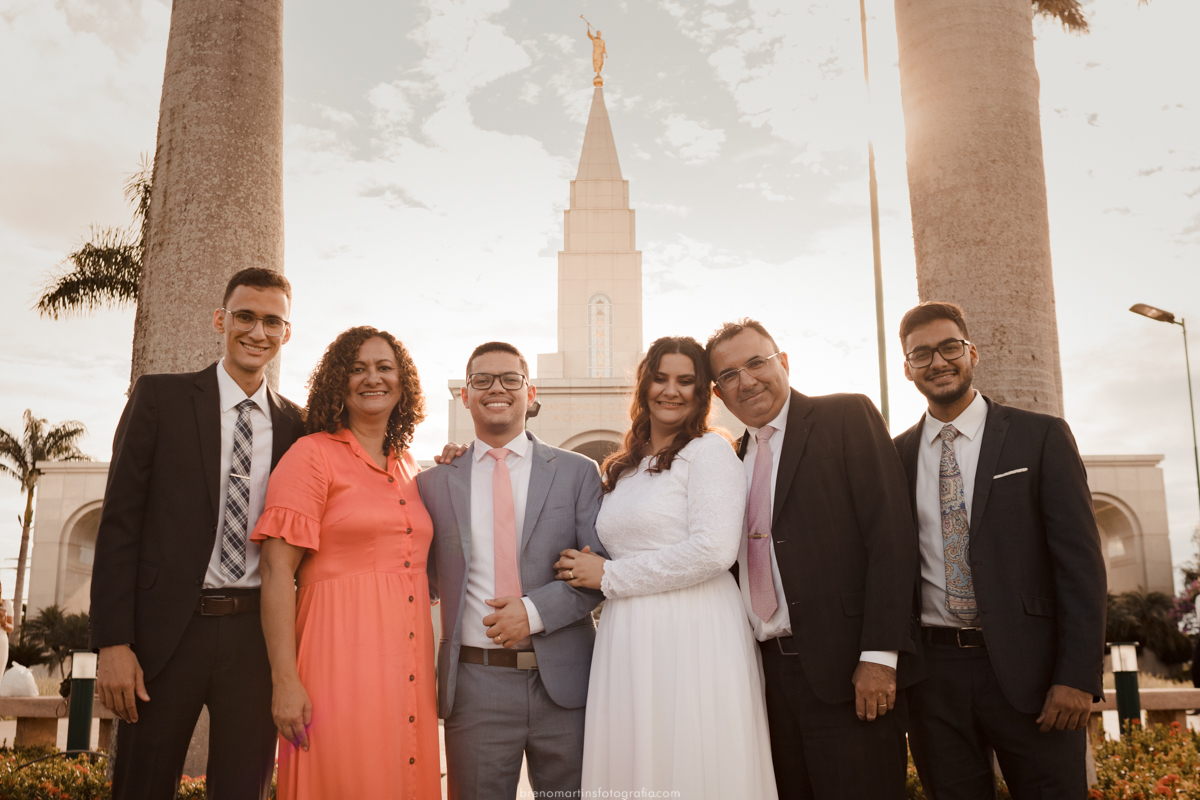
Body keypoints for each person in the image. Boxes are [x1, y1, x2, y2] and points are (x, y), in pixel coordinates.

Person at [90, 268, 305, 799]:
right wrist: (113, 642)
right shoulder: (159, 399)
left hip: (255, 639)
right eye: (246, 317)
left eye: (271, 321)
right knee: (141, 786)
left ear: (286, 333)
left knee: (242, 790)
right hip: (165, 636)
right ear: (220, 320)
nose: (258, 332)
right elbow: (119, 524)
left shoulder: (300, 427)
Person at [892, 301, 1106, 799]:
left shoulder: (1040, 437)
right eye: (921, 355)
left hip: (1034, 675)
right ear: (907, 369)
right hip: (935, 681)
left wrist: (1076, 676)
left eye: (949, 347)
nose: (938, 362)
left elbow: (1080, 566)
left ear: (972, 353)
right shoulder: (893, 456)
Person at [704, 318, 919, 800]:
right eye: (730, 375)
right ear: (718, 393)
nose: (747, 380)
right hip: (763, 683)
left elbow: (892, 538)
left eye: (756, 363)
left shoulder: (845, 417)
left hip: (850, 677)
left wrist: (880, 657)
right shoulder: (727, 460)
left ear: (783, 362)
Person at [555, 335, 778, 798]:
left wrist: (610, 576)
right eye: (660, 379)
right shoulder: (625, 467)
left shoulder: (709, 452)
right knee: (636, 760)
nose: (671, 391)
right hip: (628, 635)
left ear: (702, 392)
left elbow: (715, 551)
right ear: (644, 386)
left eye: (686, 381)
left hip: (693, 629)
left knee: (692, 755)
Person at [251, 326, 439, 799]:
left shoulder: (411, 467)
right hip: (337, 664)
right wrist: (285, 682)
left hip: (409, 669)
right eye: (357, 369)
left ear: (403, 381)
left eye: (383, 368)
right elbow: (275, 573)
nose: (371, 378)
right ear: (339, 381)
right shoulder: (310, 456)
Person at [417, 341, 606, 800]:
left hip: (567, 682)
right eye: (481, 379)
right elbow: (421, 578)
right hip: (476, 686)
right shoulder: (433, 482)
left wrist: (533, 612)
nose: (495, 388)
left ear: (530, 391)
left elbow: (600, 570)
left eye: (509, 379)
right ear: (465, 396)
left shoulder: (578, 473)